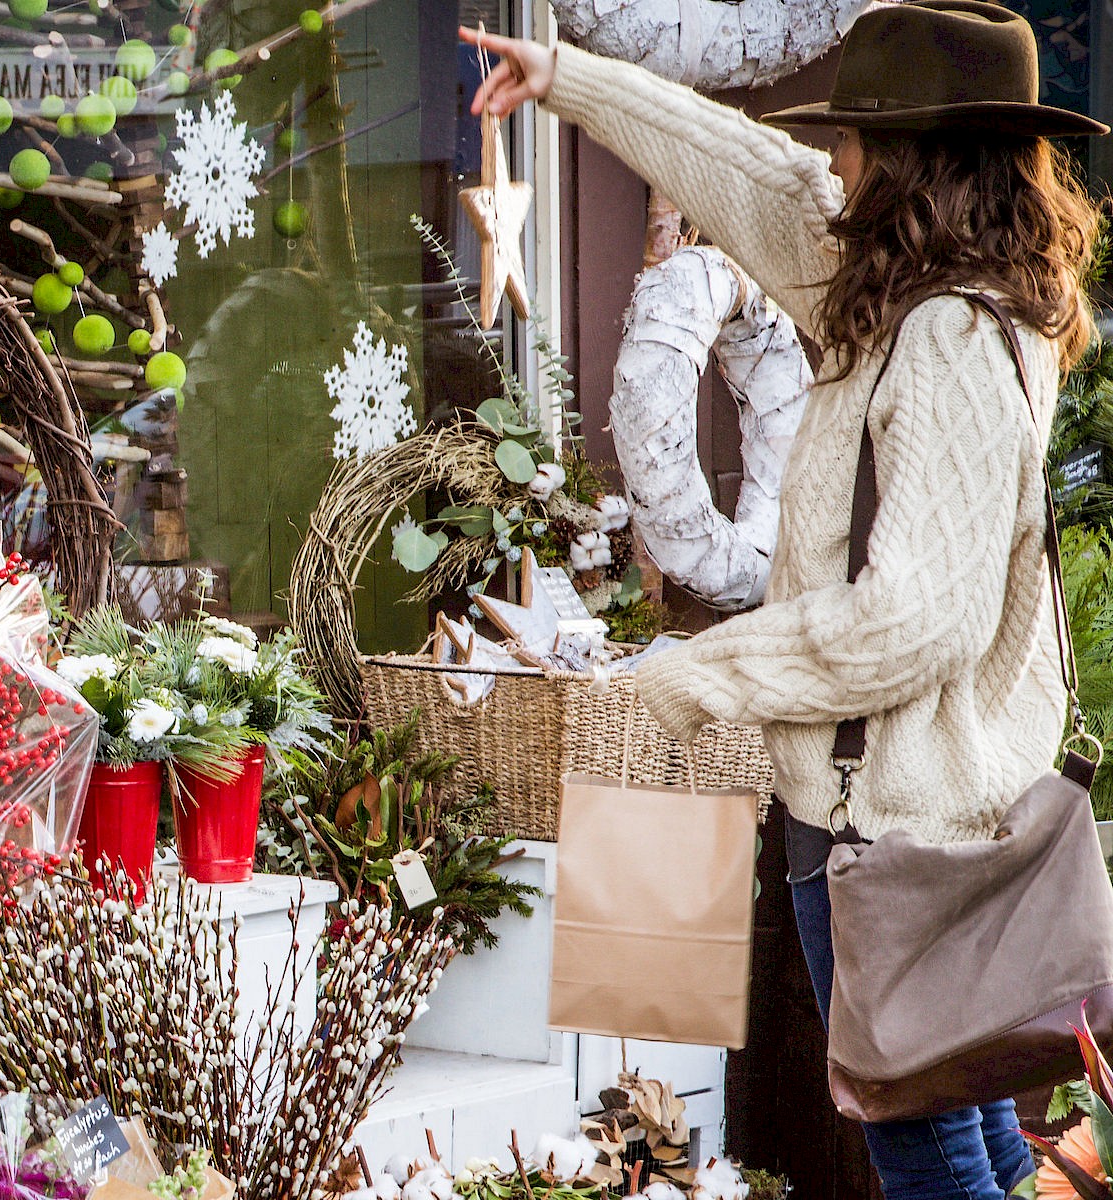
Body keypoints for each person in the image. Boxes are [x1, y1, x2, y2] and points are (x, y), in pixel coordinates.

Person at [461, 6, 1102, 1198]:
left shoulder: (950, 341)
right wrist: (568, 82)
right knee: (976, 1144)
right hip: (918, 820)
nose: (834, 162)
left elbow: (911, 623)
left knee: (932, 1162)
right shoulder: (911, 300)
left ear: (911, 163)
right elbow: (757, 175)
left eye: (854, 139)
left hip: (898, 830)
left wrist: (693, 678)